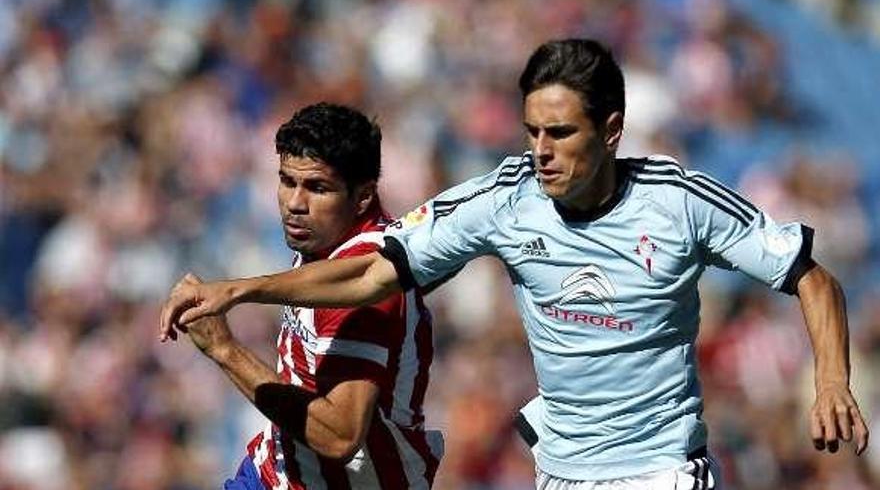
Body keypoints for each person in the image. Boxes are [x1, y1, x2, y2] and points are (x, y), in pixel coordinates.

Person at [160, 40, 869, 489]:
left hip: (661, 468)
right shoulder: (507, 199)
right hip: (559, 471)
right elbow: (375, 268)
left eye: (561, 133)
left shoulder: (678, 202)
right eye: (532, 130)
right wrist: (244, 288)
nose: (542, 150)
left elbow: (812, 276)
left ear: (611, 130)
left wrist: (831, 379)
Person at [168, 103, 443, 489]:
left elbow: (340, 436)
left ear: (362, 197)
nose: (295, 203)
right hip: (275, 472)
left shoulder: (367, 283)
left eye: (317, 187)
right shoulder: (326, 237)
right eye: (287, 181)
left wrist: (224, 349)